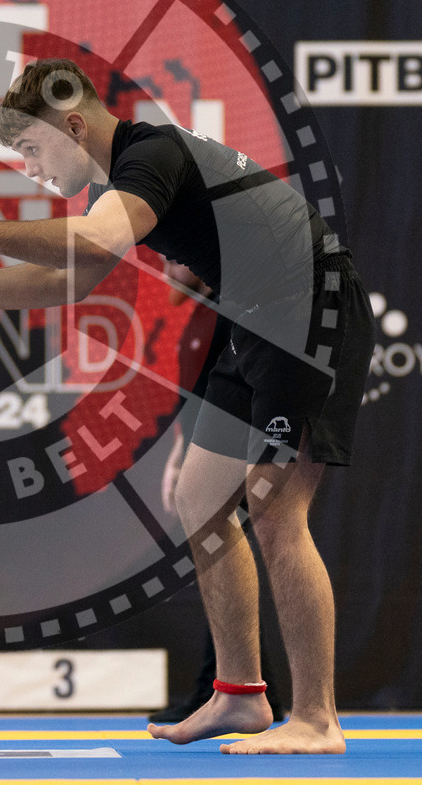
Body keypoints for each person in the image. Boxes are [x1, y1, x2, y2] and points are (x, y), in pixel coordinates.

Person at [0, 57, 375, 755]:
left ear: (72, 124)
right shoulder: (124, 178)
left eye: (32, 151)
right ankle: (239, 695)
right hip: (253, 317)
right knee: (201, 498)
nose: (32, 170)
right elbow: (70, 280)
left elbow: (94, 242)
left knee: (276, 511)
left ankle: (317, 717)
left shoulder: (151, 152)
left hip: (310, 309)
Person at [153, 260, 285, 726]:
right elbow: (193, 399)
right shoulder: (196, 316)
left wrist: (248, 460)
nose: (165, 266)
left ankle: (226, 685)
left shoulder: (226, 317)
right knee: (219, 563)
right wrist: (178, 456)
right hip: (205, 454)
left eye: (174, 257)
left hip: (234, 454)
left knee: (222, 560)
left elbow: (237, 396)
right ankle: (248, 685)